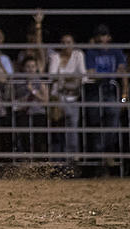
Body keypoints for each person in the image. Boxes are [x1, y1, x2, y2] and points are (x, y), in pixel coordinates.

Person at [84, 24, 125, 158]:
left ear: (109, 37)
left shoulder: (116, 51)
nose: (101, 39)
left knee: (113, 122)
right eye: (99, 37)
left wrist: (124, 98)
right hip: (94, 94)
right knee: (96, 125)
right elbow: (91, 74)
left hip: (111, 93)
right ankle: (99, 161)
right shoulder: (91, 53)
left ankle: (108, 153)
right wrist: (110, 75)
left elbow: (122, 73)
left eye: (104, 36)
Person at [47, 33, 86, 159]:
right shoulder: (54, 57)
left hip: (73, 98)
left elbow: (83, 76)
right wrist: (72, 78)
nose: (66, 45)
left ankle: (72, 162)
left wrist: (63, 79)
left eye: (69, 42)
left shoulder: (78, 55)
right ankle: (58, 165)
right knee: (58, 132)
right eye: (63, 42)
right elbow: (52, 76)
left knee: (72, 131)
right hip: (57, 99)